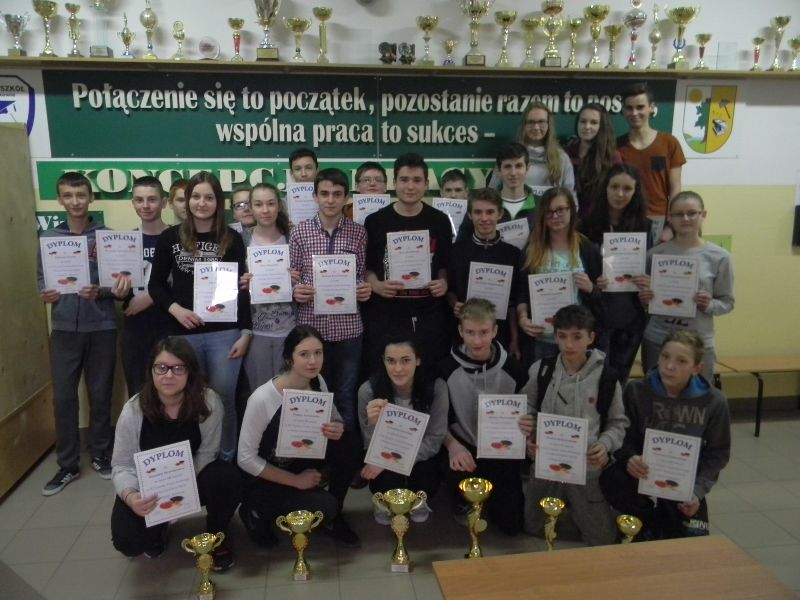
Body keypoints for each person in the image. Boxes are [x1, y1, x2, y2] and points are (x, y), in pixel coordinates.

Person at [110, 337, 241, 569]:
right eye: (161, 367)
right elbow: (121, 465)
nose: (168, 375)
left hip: (190, 479)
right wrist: (131, 497)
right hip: (147, 489)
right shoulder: (133, 411)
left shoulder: (209, 402)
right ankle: (158, 528)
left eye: (178, 368)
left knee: (227, 477)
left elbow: (207, 454)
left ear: (190, 372)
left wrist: (179, 492)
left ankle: (215, 535)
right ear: (151, 371)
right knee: (128, 541)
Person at [149, 171, 252, 462]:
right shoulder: (170, 237)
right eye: (195, 196)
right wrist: (176, 309)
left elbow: (242, 290)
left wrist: (246, 332)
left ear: (218, 202)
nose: (201, 203)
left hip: (225, 334)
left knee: (224, 399)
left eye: (209, 197)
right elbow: (155, 286)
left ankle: (227, 458)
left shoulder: (232, 238)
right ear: (187, 200)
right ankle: (188, 461)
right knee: (184, 399)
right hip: (182, 335)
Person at [37, 172, 129, 496]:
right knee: (63, 398)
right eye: (68, 195)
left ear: (91, 198)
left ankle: (101, 453)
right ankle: (68, 464)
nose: (75, 201)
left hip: (102, 326)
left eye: (80, 195)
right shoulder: (49, 238)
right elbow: (41, 278)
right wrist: (45, 293)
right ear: (59, 200)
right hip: (64, 329)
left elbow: (119, 286)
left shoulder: (108, 238)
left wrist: (102, 292)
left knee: (101, 394)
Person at [238, 325, 363, 547]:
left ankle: (334, 516)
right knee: (323, 506)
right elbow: (245, 458)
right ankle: (253, 512)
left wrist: (337, 427)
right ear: (289, 358)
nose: (313, 361)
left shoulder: (318, 381)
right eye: (304, 354)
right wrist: (296, 481)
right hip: (269, 474)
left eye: (318, 353)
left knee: (350, 443)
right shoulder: (262, 398)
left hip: (302, 459)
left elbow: (335, 418)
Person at [601, 330, 731, 540]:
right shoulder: (636, 391)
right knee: (612, 479)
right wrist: (629, 457)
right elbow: (623, 435)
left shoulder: (714, 402)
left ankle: (666, 519)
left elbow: (718, 453)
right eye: (665, 357)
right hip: (642, 472)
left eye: (681, 361)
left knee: (690, 542)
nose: (670, 366)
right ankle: (647, 520)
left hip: (682, 480)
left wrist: (697, 491)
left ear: (697, 368)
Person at [521, 305, 628, 546]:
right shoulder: (542, 370)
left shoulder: (606, 377)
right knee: (533, 528)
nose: (569, 344)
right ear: (555, 336)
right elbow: (527, 406)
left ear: (591, 337)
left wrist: (605, 445)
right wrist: (529, 434)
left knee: (601, 539)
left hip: (585, 468)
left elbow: (618, 422)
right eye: (562, 336)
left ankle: (584, 507)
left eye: (577, 337)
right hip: (547, 465)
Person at [290, 168, 372, 433]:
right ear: (315, 196)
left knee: (346, 395)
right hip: (311, 330)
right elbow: (292, 276)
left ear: (346, 197)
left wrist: (364, 290)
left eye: (337, 194)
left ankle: (345, 454)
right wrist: (295, 291)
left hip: (348, 330)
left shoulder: (359, 233)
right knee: (315, 395)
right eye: (324, 193)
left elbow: (362, 276)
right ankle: (317, 452)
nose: (330, 200)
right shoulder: (299, 233)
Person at [440, 298, 531, 535]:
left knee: (512, 526)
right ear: (460, 331)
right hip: (464, 446)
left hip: (501, 449)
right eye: (470, 332)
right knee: (453, 466)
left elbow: (528, 412)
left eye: (483, 332)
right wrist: (453, 446)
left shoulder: (515, 370)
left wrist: (528, 427)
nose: (477, 340)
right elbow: (438, 419)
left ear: (495, 331)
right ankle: (462, 498)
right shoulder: (445, 369)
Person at [363, 152, 453, 376]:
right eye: (404, 180)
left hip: (428, 313)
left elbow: (445, 264)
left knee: (428, 374)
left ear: (426, 184)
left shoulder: (440, 220)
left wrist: (443, 282)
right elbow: (367, 267)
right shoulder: (375, 221)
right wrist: (376, 285)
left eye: (416, 180)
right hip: (387, 313)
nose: (410, 186)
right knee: (387, 375)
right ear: (394, 183)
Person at [638, 191, 734, 381]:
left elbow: (727, 302)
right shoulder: (655, 254)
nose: (685, 218)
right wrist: (645, 299)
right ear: (670, 218)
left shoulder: (720, 257)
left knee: (697, 395)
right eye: (678, 214)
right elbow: (644, 303)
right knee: (654, 392)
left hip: (698, 342)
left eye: (692, 213)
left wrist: (709, 304)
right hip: (658, 338)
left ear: (703, 215)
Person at [358, 332, 448, 515]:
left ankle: (418, 502)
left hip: (420, 454)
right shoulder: (368, 391)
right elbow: (368, 444)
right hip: (384, 453)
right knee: (384, 483)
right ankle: (386, 504)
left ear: (418, 360)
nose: (398, 369)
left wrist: (396, 460)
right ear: (383, 361)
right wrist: (373, 424)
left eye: (405, 360)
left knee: (427, 481)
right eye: (391, 361)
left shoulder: (436, 387)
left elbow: (435, 438)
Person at [580, 165, 652, 381]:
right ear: (605, 188)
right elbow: (579, 267)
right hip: (596, 313)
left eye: (627, 189)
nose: (620, 194)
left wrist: (647, 280)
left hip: (630, 315)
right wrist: (593, 281)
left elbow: (648, 267)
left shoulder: (644, 226)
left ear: (635, 192)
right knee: (594, 378)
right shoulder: (587, 226)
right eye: (614, 187)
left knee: (620, 379)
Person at [516, 187, 602, 367]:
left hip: (576, 339)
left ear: (571, 210)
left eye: (561, 210)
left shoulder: (586, 247)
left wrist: (591, 288)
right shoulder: (532, 249)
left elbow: (603, 297)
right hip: (542, 338)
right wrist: (523, 318)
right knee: (541, 383)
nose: (555, 216)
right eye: (549, 212)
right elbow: (521, 291)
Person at [447, 187, 522, 356]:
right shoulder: (456, 251)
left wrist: (515, 339)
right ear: (469, 215)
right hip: (464, 334)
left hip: (500, 334)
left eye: (490, 212)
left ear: (500, 214)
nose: (484, 218)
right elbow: (449, 289)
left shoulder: (513, 254)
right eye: (478, 212)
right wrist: (454, 304)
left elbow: (513, 302)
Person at [241, 183, 296, 392]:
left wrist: (297, 280)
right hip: (255, 332)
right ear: (251, 208)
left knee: (289, 393)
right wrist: (241, 283)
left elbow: (309, 278)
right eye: (258, 204)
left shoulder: (293, 238)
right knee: (260, 394)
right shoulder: (241, 240)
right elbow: (229, 285)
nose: (265, 210)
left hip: (289, 328)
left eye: (271, 204)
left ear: (279, 206)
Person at [121, 176, 172, 396]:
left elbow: (188, 284)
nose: (145, 205)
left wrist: (152, 296)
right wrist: (117, 291)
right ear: (132, 203)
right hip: (136, 328)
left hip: (169, 326)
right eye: (139, 200)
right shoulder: (124, 241)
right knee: (138, 391)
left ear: (164, 202)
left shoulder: (178, 238)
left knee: (169, 390)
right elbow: (118, 288)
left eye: (152, 199)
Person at [617, 82, 686, 240]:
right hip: (626, 219)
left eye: (640, 107)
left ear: (651, 107)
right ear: (623, 110)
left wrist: (671, 224)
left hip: (659, 220)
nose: (634, 113)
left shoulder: (669, 143)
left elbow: (675, 188)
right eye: (629, 108)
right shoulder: (616, 147)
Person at [491, 101, 574, 199]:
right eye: (531, 122)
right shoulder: (508, 154)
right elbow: (492, 192)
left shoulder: (561, 158)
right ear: (524, 125)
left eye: (541, 122)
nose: (536, 127)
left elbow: (570, 197)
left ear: (548, 124)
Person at [458, 143, 537, 244]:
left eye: (518, 166)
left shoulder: (541, 205)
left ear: (527, 168)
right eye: (507, 166)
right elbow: (461, 245)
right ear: (498, 171)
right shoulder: (481, 204)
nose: (513, 173)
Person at [563, 103, 622, 222]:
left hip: (598, 222)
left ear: (602, 126)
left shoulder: (611, 157)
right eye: (583, 121)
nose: (587, 126)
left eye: (594, 122)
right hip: (567, 220)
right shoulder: (565, 153)